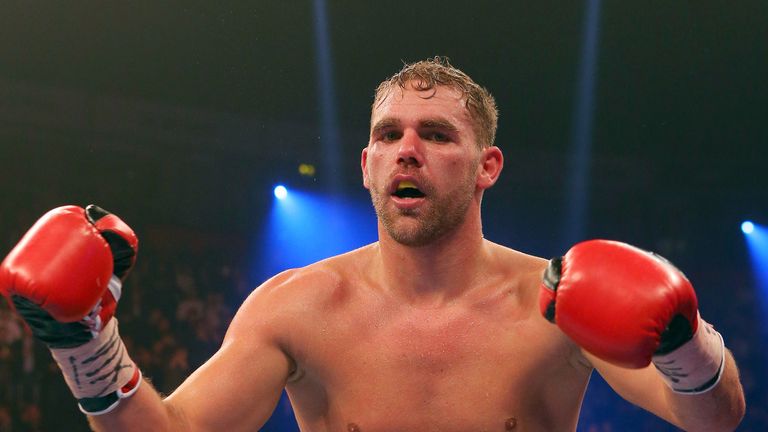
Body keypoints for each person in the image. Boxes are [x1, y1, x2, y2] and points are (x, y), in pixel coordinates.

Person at [0, 57, 746, 431]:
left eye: (436, 135)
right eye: (388, 136)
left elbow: (714, 418)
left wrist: (687, 344)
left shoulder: (551, 303)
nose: (406, 151)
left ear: (488, 166)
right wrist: (86, 349)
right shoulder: (297, 307)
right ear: (366, 166)